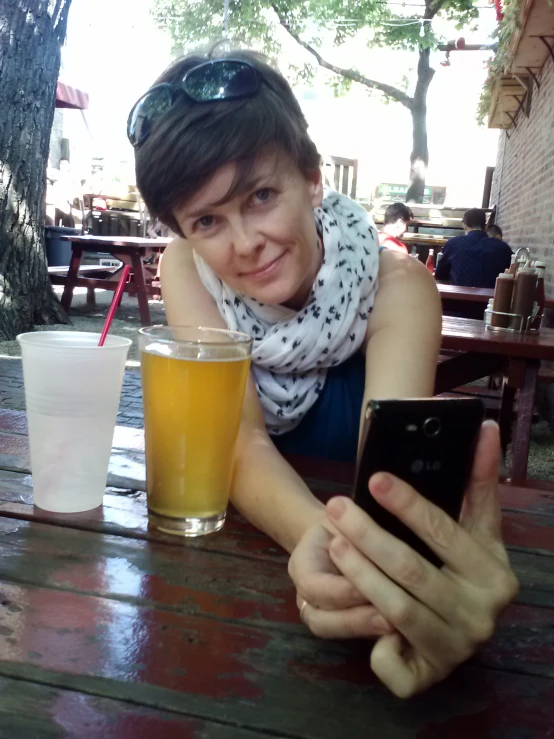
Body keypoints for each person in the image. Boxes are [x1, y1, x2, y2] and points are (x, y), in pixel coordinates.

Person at [128, 48, 518, 698]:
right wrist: (331, 550)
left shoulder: (398, 284)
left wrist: (365, 568)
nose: (244, 241)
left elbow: (385, 473)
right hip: (227, 603)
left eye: (260, 195)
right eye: (206, 220)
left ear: (311, 178)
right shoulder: (184, 267)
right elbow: (238, 436)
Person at [435, 208, 512, 288]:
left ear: (464, 225)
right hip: (492, 299)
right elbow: (511, 273)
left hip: (458, 298)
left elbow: (440, 274)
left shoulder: (453, 243)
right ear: (485, 226)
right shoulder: (502, 247)